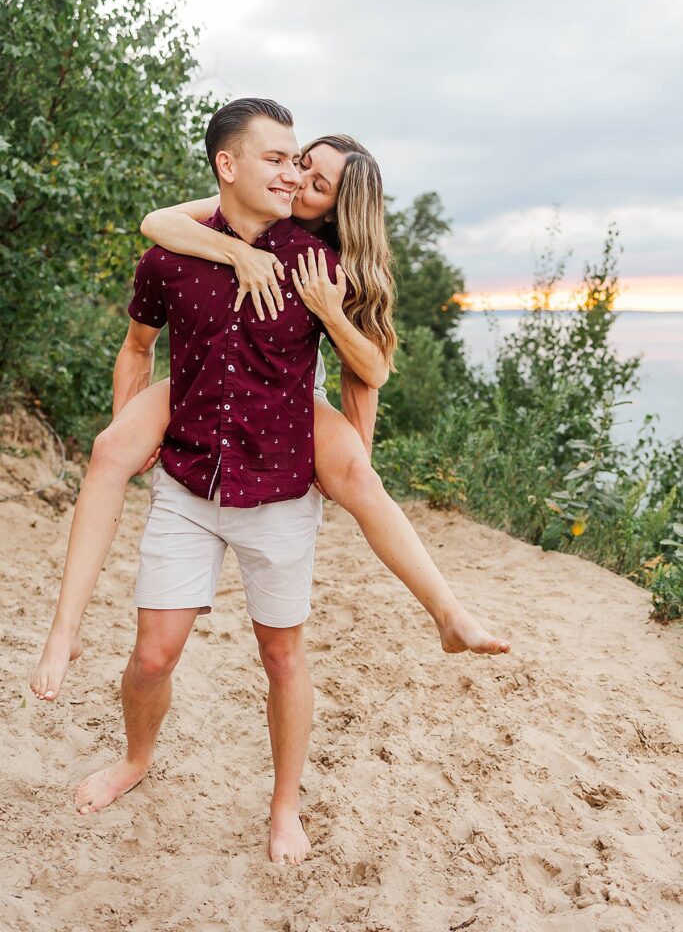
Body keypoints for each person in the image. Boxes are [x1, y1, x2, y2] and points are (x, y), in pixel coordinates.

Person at [31, 134, 510, 707]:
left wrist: (354, 439)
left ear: (336, 209)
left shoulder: (332, 266)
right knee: (112, 449)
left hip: (291, 384)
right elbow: (158, 221)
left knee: (359, 478)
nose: (295, 180)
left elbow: (372, 374)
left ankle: (449, 614)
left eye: (315, 182)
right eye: (298, 163)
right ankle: (64, 631)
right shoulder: (234, 212)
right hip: (206, 370)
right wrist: (238, 252)